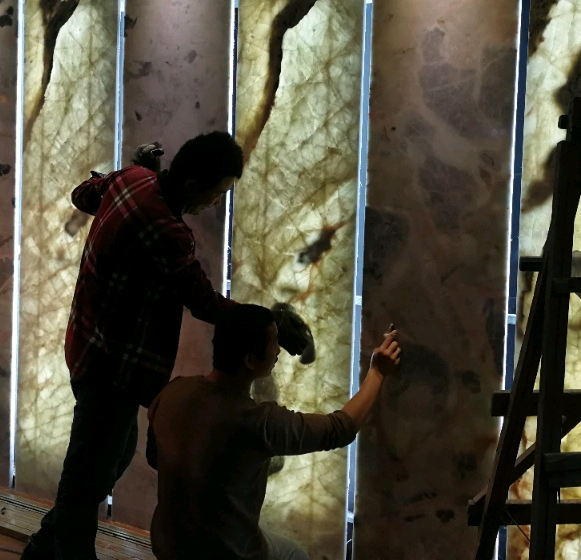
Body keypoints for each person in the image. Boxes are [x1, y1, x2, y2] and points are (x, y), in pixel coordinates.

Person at [21, 132, 310, 560]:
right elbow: (203, 301)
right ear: (193, 185)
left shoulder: (131, 179)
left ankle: (43, 549)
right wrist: (268, 325)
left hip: (89, 344)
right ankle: (62, 553)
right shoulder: (168, 230)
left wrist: (136, 171)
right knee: (86, 479)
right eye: (217, 194)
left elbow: (84, 194)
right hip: (113, 366)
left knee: (110, 460)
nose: (215, 203)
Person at [147, 305, 401, 560]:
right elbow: (339, 429)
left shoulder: (173, 391)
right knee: (295, 555)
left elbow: (153, 457)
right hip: (225, 554)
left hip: (168, 545)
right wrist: (377, 373)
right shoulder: (257, 423)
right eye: (273, 343)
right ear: (250, 360)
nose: (278, 350)